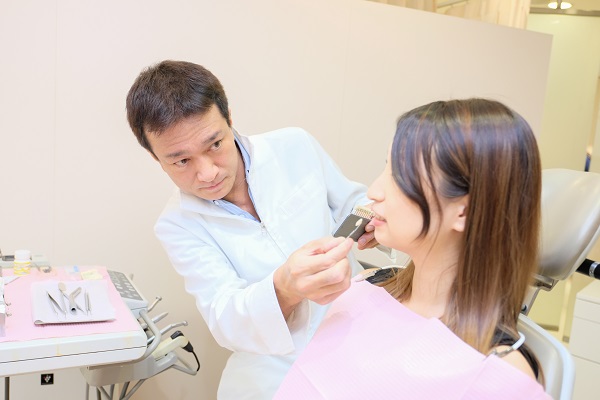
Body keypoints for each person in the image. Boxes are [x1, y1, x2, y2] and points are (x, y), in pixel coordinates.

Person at [125, 60, 381, 399]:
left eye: (214, 144)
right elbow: (226, 318)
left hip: (353, 338)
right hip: (270, 374)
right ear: (156, 158)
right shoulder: (178, 224)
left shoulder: (294, 146)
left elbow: (354, 200)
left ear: (230, 120)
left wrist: (371, 221)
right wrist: (285, 286)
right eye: (181, 161)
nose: (207, 173)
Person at [274, 98, 550, 399]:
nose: (374, 192)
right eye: (385, 168)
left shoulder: (500, 375)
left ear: (464, 212)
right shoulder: (367, 287)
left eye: (400, 176)